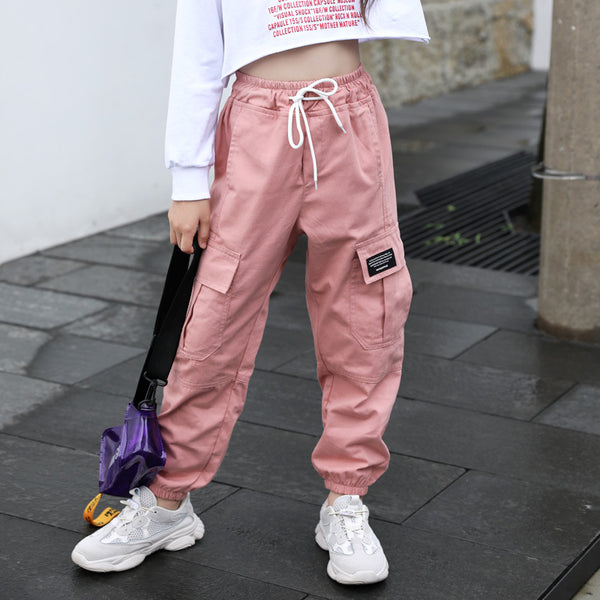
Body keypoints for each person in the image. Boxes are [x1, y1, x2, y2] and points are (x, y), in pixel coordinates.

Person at [71, 0, 429, 585]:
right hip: (256, 129)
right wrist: (189, 178)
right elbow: (196, 54)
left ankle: (345, 500)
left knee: (367, 316)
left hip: (349, 120)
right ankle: (168, 503)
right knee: (215, 315)